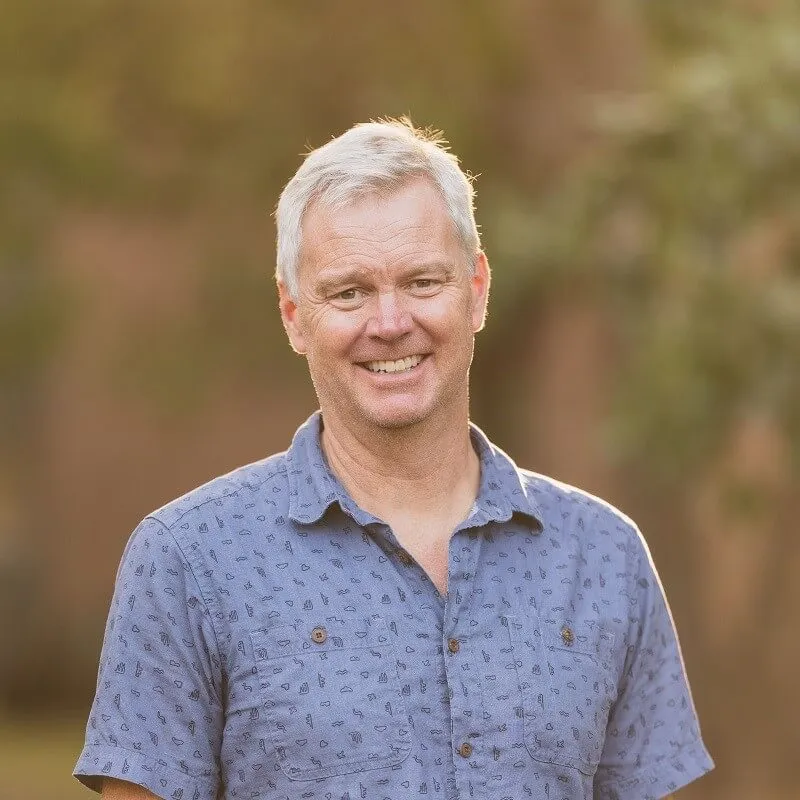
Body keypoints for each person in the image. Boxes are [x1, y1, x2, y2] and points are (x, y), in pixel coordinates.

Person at [74, 119, 714, 800]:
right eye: (349, 291)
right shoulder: (188, 560)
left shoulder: (604, 556)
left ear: (477, 288)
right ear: (293, 313)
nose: (389, 323)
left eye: (422, 282)